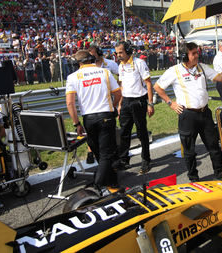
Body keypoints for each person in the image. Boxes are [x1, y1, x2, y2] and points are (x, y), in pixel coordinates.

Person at [154, 42, 222, 181]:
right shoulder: (174, 70)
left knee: (214, 147)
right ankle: (193, 178)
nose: (197, 55)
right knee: (189, 151)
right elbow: (158, 87)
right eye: (193, 53)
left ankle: (221, 175)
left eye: (197, 52)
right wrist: (171, 103)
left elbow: (220, 78)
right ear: (184, 56)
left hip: (205, 114)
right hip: (187, 116)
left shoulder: (202, 67)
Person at [65, 50, 121, 195]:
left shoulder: (72, 77)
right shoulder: (105, 72)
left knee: (99, 152)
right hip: (106, 115)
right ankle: (99, 184)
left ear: (78, 63)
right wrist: (113, 107)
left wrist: (76, 124)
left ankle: (108, 182)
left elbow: (70, 104)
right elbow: (118, 93)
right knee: (105, 154)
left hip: (88, 119)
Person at [115, 41, 155, 174]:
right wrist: (120, 103)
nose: (118, 55)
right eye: (117, 53)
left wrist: (150, 103)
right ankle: (124, 160)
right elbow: (122, 86)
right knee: (124, 132)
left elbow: (148, 84)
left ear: (128, 50)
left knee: (141, 132)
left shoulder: (139, 63)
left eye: (120, 52)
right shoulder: (120, 65)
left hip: (139, 101)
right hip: (126, 101)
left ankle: (146, 160)